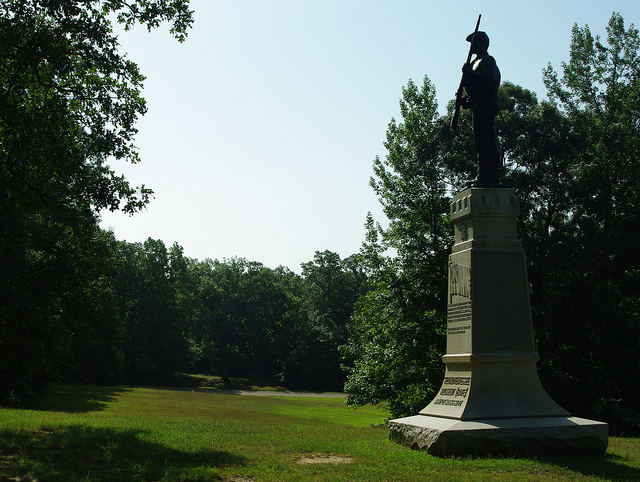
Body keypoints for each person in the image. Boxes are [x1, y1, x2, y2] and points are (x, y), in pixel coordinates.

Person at [461, 31, 501, 186]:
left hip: (486, 105)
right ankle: (486, 173)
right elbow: (475, 90)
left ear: (482, 44)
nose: (471, 47)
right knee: (481, 140)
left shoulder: (487, 61)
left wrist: (471, 74)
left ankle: (488, 174)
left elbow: (491, 83)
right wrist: (466, 101)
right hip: (478, 105)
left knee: (486, 140)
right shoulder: (474, 63)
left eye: (474, 43)